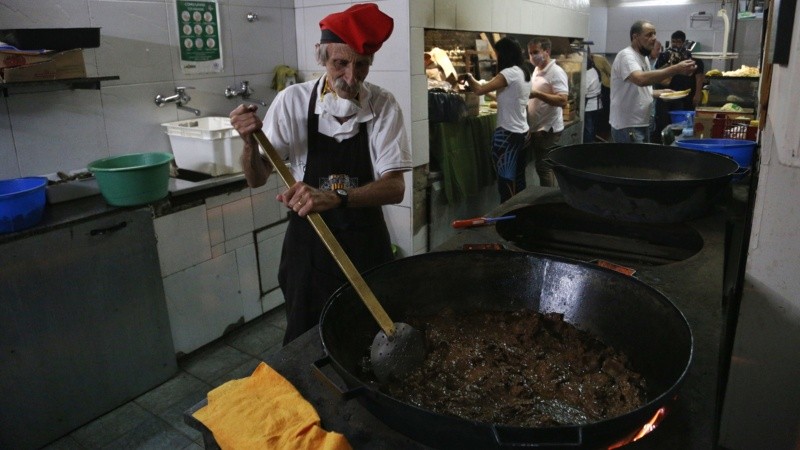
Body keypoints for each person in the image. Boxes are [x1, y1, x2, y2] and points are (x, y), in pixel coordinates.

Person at [229, 3, 412, 345]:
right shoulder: (292, 102)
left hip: (365, 242)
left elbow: (395, 188)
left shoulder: (384, 105)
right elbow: (256, 178)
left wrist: (336, 197)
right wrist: (249, 144)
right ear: (322, 58)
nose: (351, 77)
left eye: (361, 66)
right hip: (309, 243)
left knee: (369, 335)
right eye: (340, 64)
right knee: (305, 338)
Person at [461, 37, 530, 202]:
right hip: (523, 133)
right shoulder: (523, 71)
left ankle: (507, 223)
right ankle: (521, 217)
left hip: (507, 135)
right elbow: (503, 96)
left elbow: (478, 90)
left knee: (506, 184)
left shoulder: (509, 73)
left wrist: (469, 76)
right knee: (519, 181)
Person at [610, 20, 697, 143]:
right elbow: (640, 79)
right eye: (649, 35)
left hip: (642, 122)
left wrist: (660, 93)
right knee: (633, 162)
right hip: (628, 125)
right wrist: (675, 69)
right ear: (635, 37)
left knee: (642, 161)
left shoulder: (643, 58)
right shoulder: (626, 56)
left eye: (654, 34)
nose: (654, 38)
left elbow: (639, 88)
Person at [525, 37, 569, 186]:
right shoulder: (537, 69)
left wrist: (537, 94)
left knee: (544, 167)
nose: (532, 56)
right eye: (530, 53)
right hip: (537, 127)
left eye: (535, 52)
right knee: (541, 166)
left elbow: (562, 100)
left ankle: (548, 199)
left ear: (547, 51)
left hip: (548, 129)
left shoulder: (556, 72)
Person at [654, 30, 706, 135]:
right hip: (668, 95)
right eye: (673, 42)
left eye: (678, 42)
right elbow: (657, 73)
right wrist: (671, 64)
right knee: (665, 121)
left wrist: (697, 94)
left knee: (684, 121)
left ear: (683, 42)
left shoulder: (692, 57)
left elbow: (699, 76)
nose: (676, 44)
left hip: (687, 95)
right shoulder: (664, 56)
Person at [584, 49, 602, 143]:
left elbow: (584, 92)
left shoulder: (588, 74)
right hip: (597, 105)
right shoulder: (595, 70)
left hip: (590, 107)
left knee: (589, 130)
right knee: (592, 129)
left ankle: (588, 149)